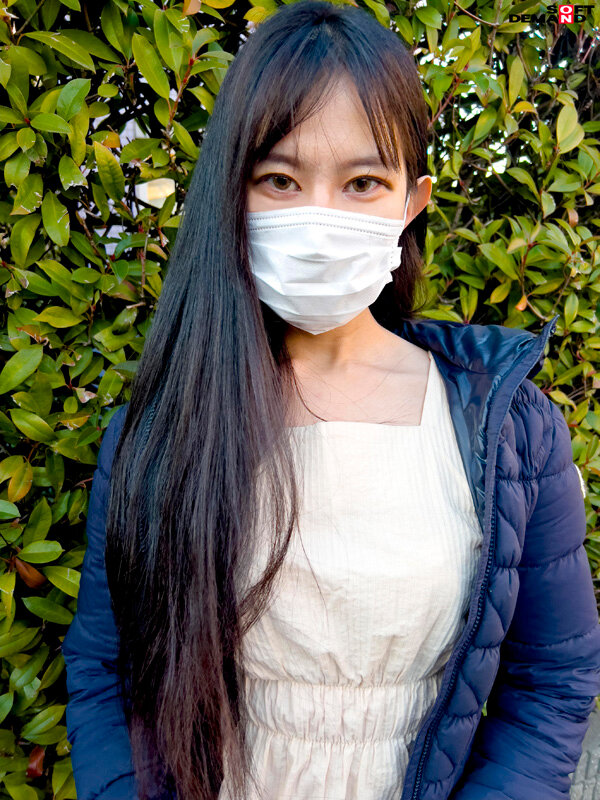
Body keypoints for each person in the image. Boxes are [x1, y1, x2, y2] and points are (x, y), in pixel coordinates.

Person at [61, 1, 600, 799]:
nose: (320, 220)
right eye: (280, 180)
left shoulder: (510, 430)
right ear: (233, 192)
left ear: (412, 201)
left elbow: (553, 678)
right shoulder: (164, 427)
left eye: (362, 183)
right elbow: (104, 670)